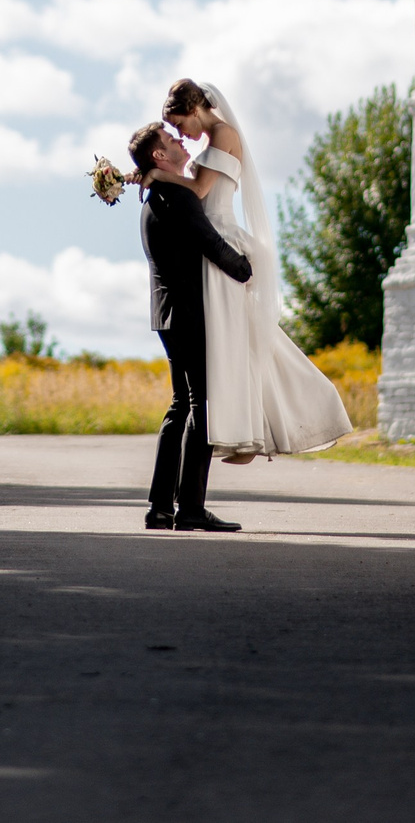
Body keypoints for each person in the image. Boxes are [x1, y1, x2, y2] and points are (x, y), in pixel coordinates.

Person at [141, 79, 354, 461]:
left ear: (195, 110)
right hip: (210, 245)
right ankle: (241, 429)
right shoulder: (210, 141)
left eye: (179, 124)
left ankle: (258, 424)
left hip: (220, 241)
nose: (179, 134)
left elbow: (202, 191)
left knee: (235, 340)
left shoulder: (224, 133)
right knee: (229, 343)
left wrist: (157, 175)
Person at [130, 119, 254, 531]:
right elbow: (209, 242)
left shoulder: (154, 198)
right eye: (170, 139)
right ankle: (192, 509)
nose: (179, 140)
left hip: (166, 314)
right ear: (159, 156)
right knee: (202, 404)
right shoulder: (175, 197)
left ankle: (161, 507)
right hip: (187, 312)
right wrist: (246, 269)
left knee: (181, 404)